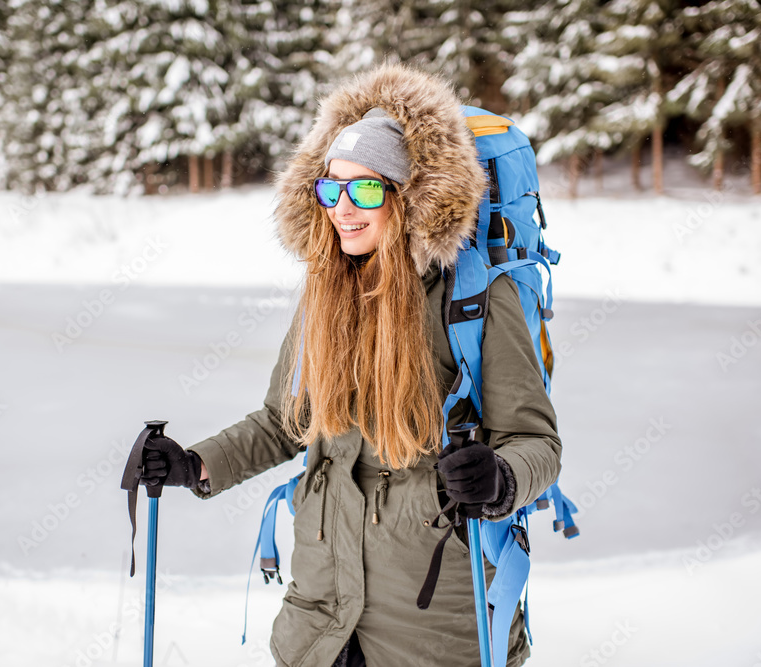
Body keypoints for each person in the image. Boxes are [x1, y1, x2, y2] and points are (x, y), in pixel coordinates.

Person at [141, 64, 562, 667]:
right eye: (332, 188)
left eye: (366, 189)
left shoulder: (474, 301)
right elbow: (283, 422)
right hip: (322, 613)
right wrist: (193, 463)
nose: (344, 207)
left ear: (406, 197)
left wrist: (500, 477)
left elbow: (537, 442)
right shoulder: (325, 293)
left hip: (433, 622)